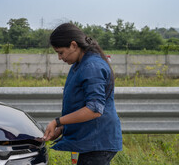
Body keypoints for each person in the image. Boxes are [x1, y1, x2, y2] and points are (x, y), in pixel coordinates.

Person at [43, 23, 122, 165]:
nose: (60, 58)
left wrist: (57, 122)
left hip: (98, 141)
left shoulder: (92, 66)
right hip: (92, 139)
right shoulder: (80, 64)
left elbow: (94, 109)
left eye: (60, 52)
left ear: (73, 45)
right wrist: (62, 129)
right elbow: (81, 104)